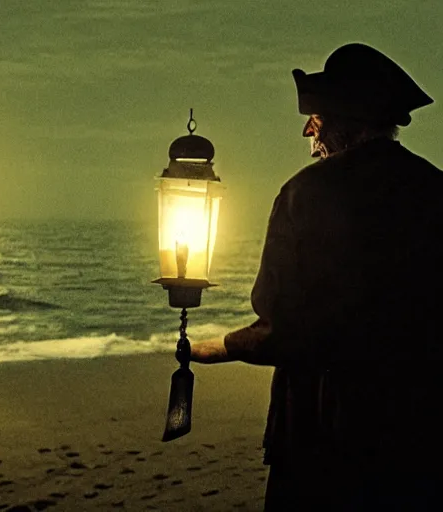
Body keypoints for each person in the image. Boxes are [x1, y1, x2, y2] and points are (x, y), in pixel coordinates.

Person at [190, 43, 443, 510]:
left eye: (317, 118)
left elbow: (284, 330)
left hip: (324, 431)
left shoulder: (305, 194)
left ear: (346, 120)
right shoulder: (435, 189)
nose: (308, 129)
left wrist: (220, 347)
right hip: (422, 431)